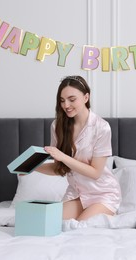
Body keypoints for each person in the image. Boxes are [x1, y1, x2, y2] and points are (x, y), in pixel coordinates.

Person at [36, 75, 121, 221]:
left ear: (86, 97)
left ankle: (108, 212)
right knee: (54, 224)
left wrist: (63, 157)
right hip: (77, 194)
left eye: (72, 99)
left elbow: (95, 173)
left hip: (103, 194)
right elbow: (59, 168)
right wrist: (31, 168)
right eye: (62, 101)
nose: (66, 105)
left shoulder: (101, 127)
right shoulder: (57, 126)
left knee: (81, 228)